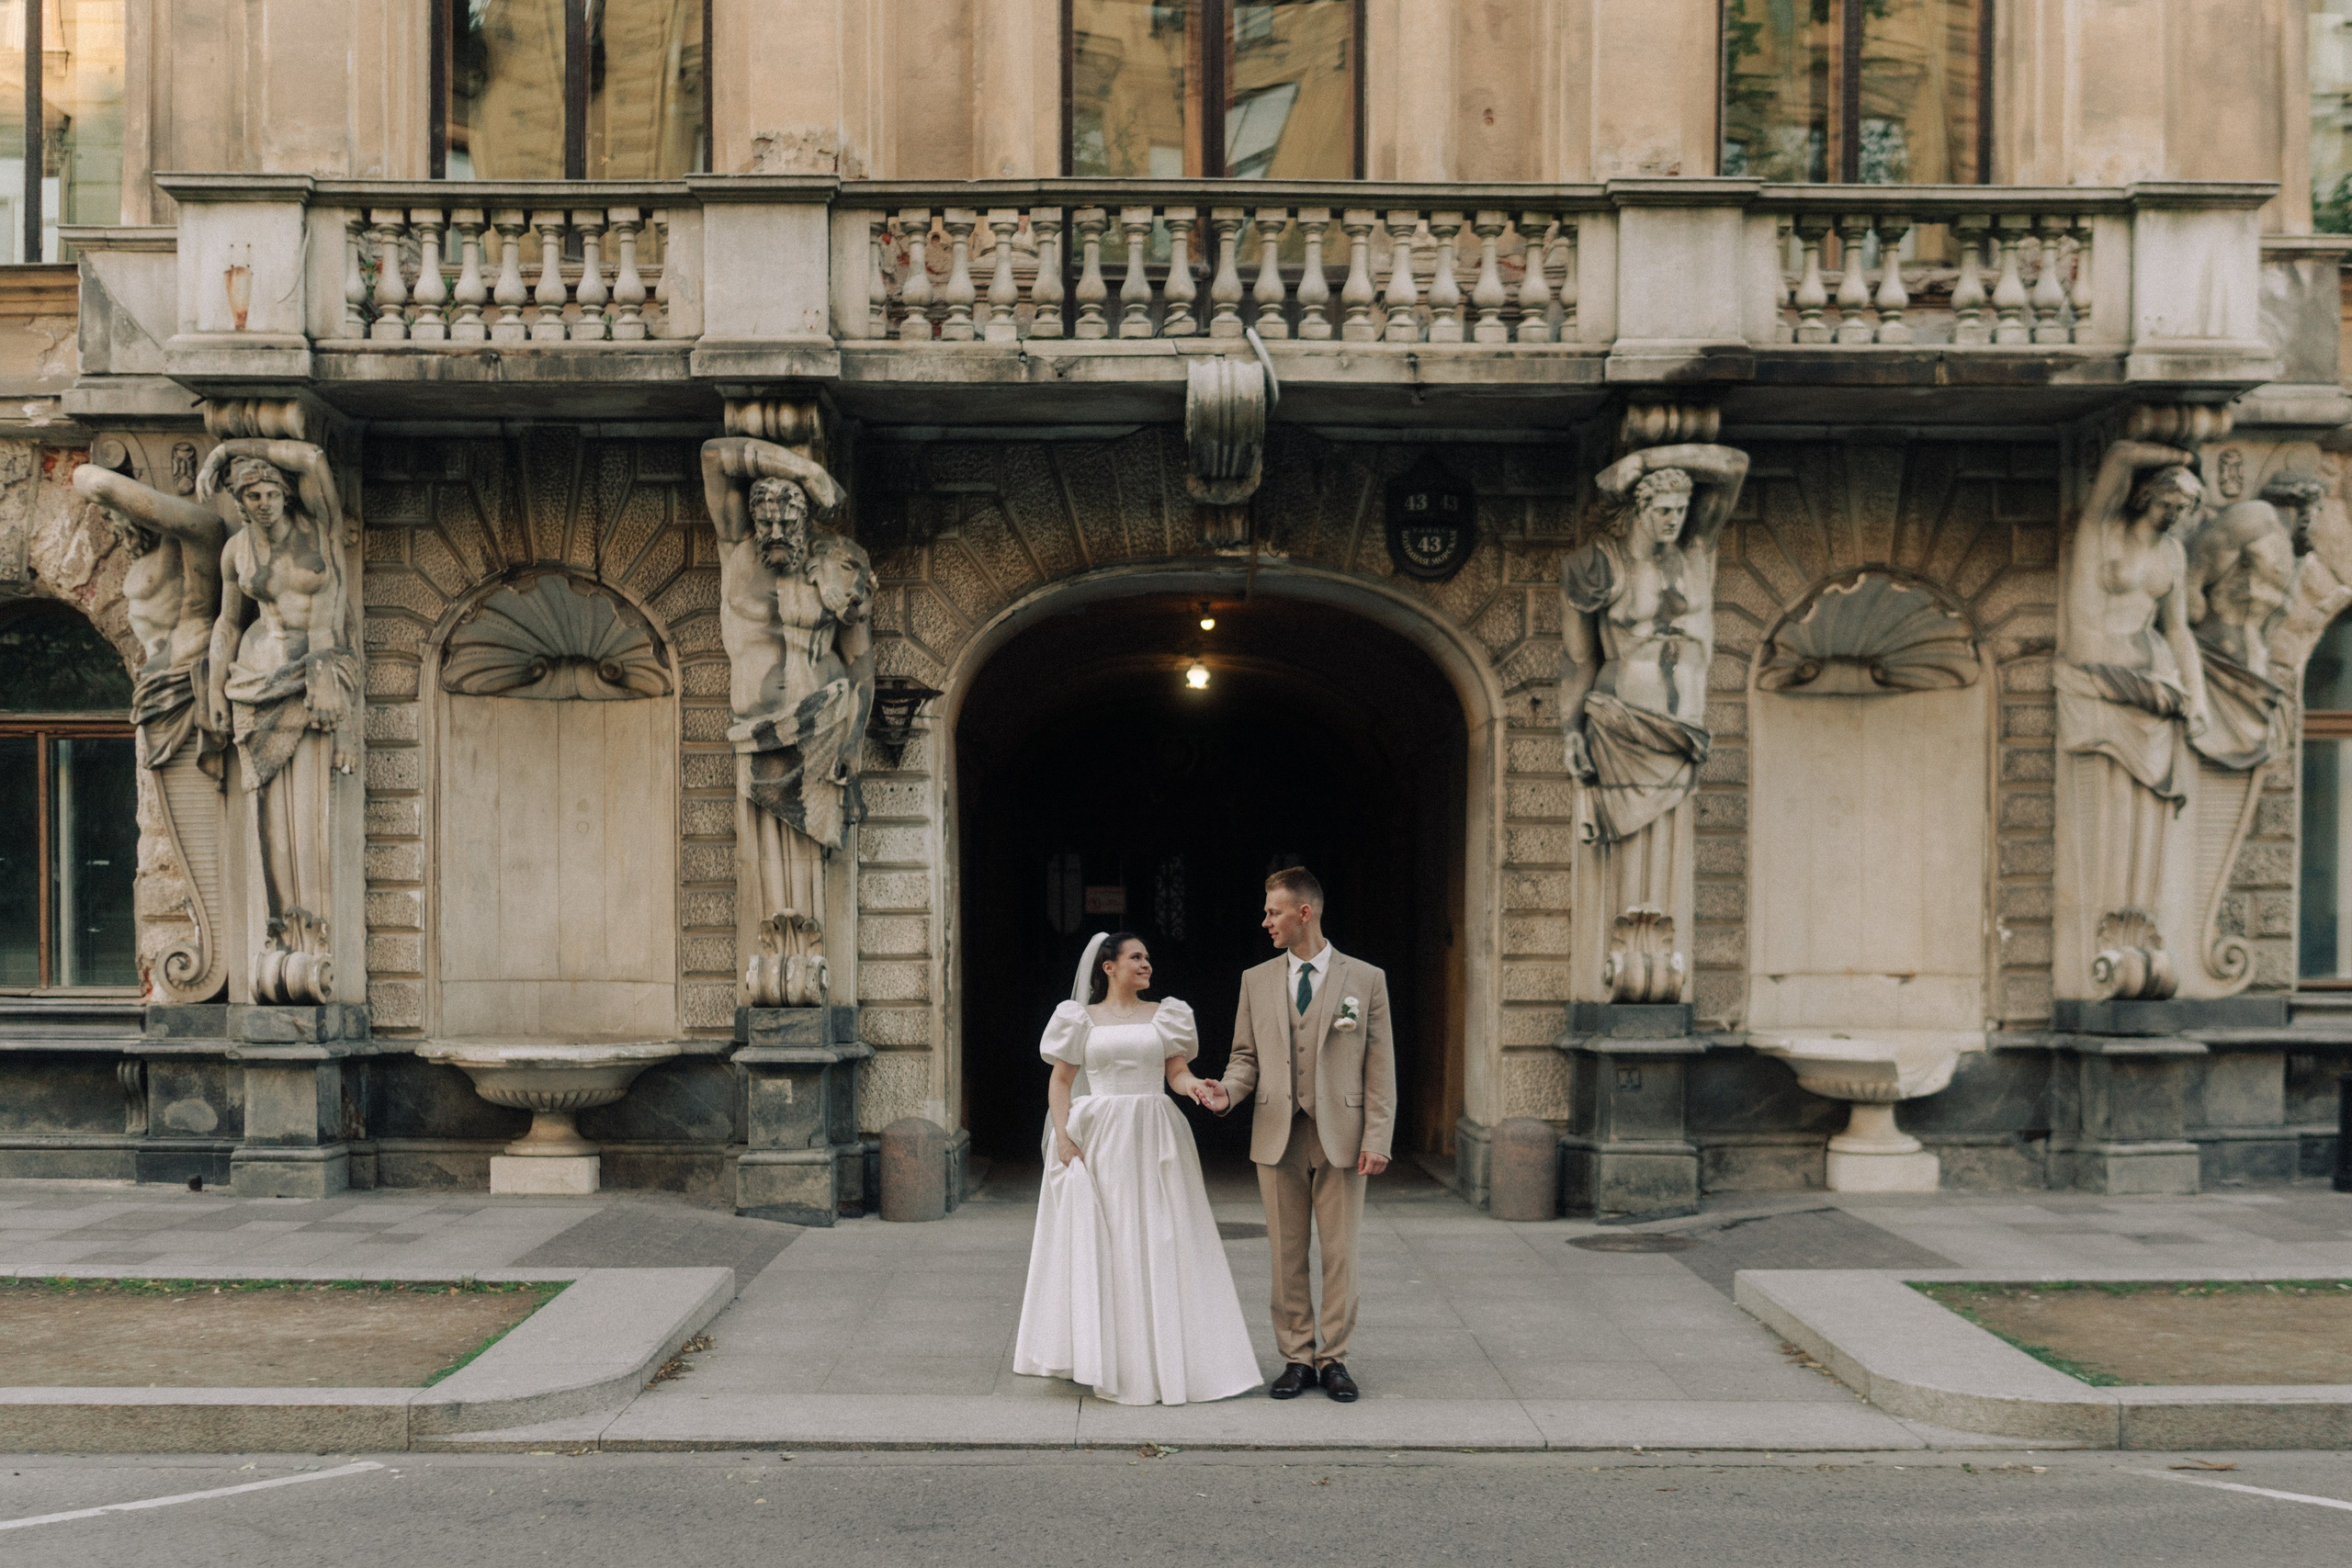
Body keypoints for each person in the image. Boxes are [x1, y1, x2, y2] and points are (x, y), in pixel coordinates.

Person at [1012, 931, 1261, 1405]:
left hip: (1153, 1132)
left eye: (1147, 957)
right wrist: (1063, 1137)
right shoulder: (1079, 1018)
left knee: (1161, 1235)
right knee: (1110, 1237)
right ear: (1109, 968)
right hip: (1101, 1136)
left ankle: (1163, 1355)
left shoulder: (1167, 1014)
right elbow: (1061, 1082)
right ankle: (1107, 1354)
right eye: (1136, 957)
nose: (1146, 964)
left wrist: (1194, 1087)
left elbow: (1176, 1072)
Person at [1203, 865, 1396, 1403]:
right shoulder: (1256, 980)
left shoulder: (1366, 979)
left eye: (1274, 912)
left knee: (1340, 1254)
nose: (1265, 921)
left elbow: (1380, 1064)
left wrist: (1377, 1136)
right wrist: (1227, 1092)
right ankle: (1296, 1358)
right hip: (1277, 1133)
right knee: (1286, 1254)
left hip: (1343, 1134)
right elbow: (1245, 1057)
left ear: (1303, 913)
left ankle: (1334, 1359)